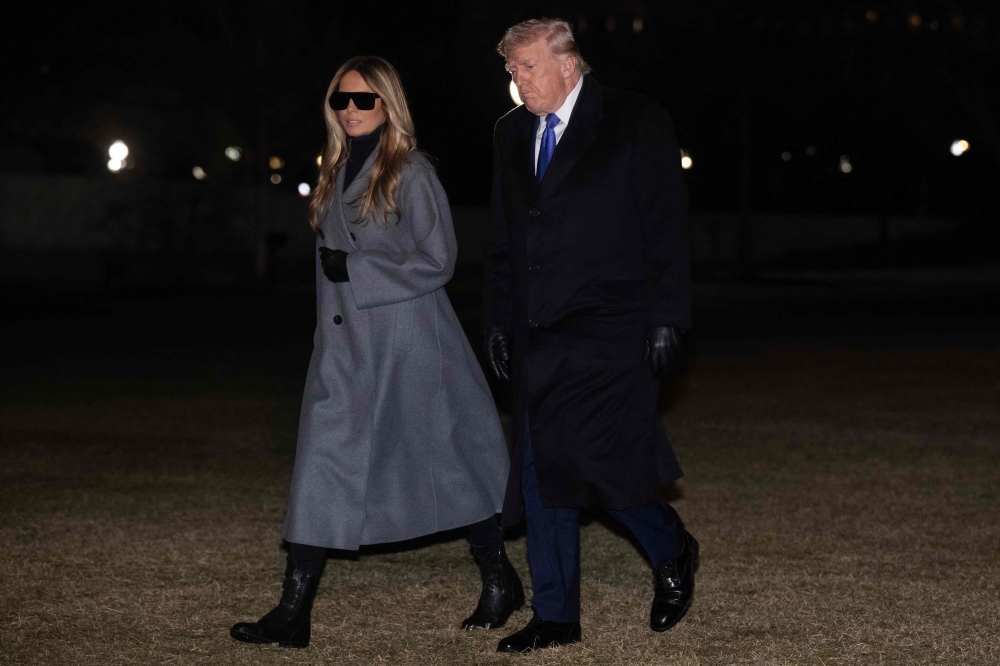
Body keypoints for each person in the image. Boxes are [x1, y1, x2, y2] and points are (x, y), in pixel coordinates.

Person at [230, 56, 522, 649]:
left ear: (389, 105)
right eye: (341, 100)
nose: (351, 110)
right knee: (321, 463)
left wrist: (358, 269)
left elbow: (439, 259)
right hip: (345, 348)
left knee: (446, 462)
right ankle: (293, 612)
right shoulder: (335, 168)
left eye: (364, 100)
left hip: (410, 344)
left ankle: (499, 578)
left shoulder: (412, 172)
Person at [482, 19, 699, 653]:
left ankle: (672, 548)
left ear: (568, 63)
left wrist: (667, 317)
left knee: (600, 465)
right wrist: (497, 318)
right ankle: (556, 616)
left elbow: (666, 226)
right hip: (535, 327)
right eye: (511, 70)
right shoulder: (510, 132)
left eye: (525, 66)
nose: (516, 80)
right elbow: (504, 238)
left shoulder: (634, 119)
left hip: (612, 325)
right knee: (539, 472)